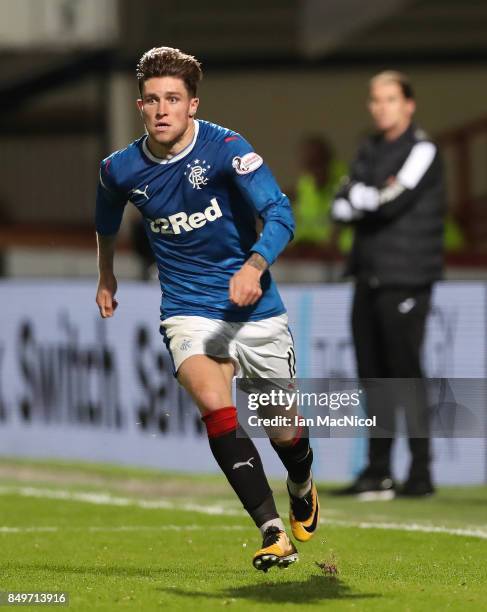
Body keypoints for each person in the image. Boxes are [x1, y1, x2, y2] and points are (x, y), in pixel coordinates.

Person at [95, 47, 319, 571]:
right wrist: (105, 273)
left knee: (282, 426)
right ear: (140, 107)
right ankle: (271, 531)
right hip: (188, 308)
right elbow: (106, 220)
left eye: (173, 98)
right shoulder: (120, 169)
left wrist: (255, 265)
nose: (163, 109)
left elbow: (279, 212)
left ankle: (302, 484)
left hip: (255, 307)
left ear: (193, 104)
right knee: (216, 407)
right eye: (152, 100)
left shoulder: (226, 149)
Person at [331, 70, 446, 498]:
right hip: (368, 273)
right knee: (373, 376)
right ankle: (378, 470)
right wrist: (367, 196)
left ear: (408, 104)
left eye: (390, 99)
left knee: (405, 374)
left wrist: (364, 197)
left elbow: (392, 200)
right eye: (375, 99)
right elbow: (340, 204)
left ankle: (421, 473)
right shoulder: (369, 149)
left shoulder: (423, 149)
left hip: (407, 276)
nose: (381, 107)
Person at [291, 135, 352, 253]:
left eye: (319, 163)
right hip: (316, 257)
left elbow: (338, 230)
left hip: (345, 255)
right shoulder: (305, 182)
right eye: (309, 165)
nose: (315, 170)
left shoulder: (345, 178)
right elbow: (307, 226)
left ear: (329, 160)